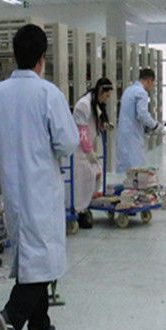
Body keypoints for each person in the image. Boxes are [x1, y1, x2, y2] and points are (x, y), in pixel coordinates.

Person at [0, 24, 80, 330]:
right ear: (42, 57)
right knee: (43, 258)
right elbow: (67, 142)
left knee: (30, 255)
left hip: (14, 188)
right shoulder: (47, 93)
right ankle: (12, 316)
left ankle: (39, 323)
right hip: (40, 187)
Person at [73, 78, 114, 228]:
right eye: (106, 96)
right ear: (101, 91)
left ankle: (85, 205)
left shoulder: (95, 103)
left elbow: (94, 122)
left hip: (87, 149)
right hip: (79, 151)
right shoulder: (83, 105)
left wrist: (104, 125)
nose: (107, 99)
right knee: (85, 178)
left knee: (97, 174)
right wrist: (88, 152)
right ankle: (79, 210)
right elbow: (82, 131)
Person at [116, 68, 160, 174]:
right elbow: (143, 115)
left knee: (125, 168)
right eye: (153, 83)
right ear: (149, 80)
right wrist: (155, 126)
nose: (152, 87)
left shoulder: (128, 90)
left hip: (124, 134)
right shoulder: (141, 93)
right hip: (133, 136)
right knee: (136, 168)